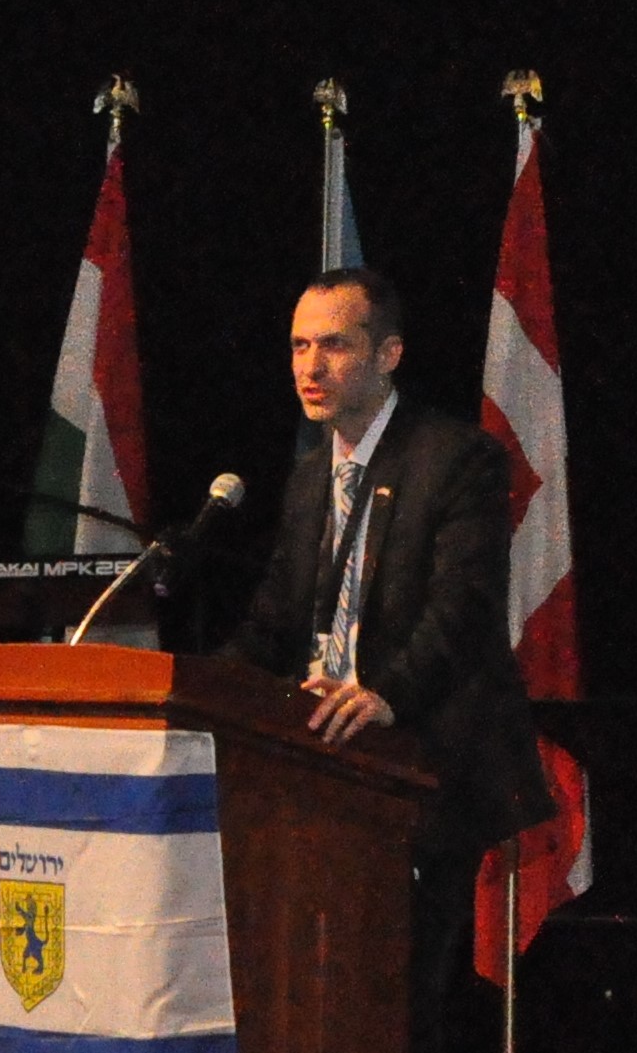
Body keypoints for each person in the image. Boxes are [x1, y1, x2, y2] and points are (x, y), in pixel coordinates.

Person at [225, 266, 552, 1053]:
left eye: (334, 345)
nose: (310, 366)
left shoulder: (456, 458)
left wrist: (384, 694)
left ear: (388, 353)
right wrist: (185, 690)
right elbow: (272, 625)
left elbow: (462, 611)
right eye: (299, 345)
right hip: (322, 772)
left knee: (406, 1009)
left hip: (424, 769)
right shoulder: (311, 477)